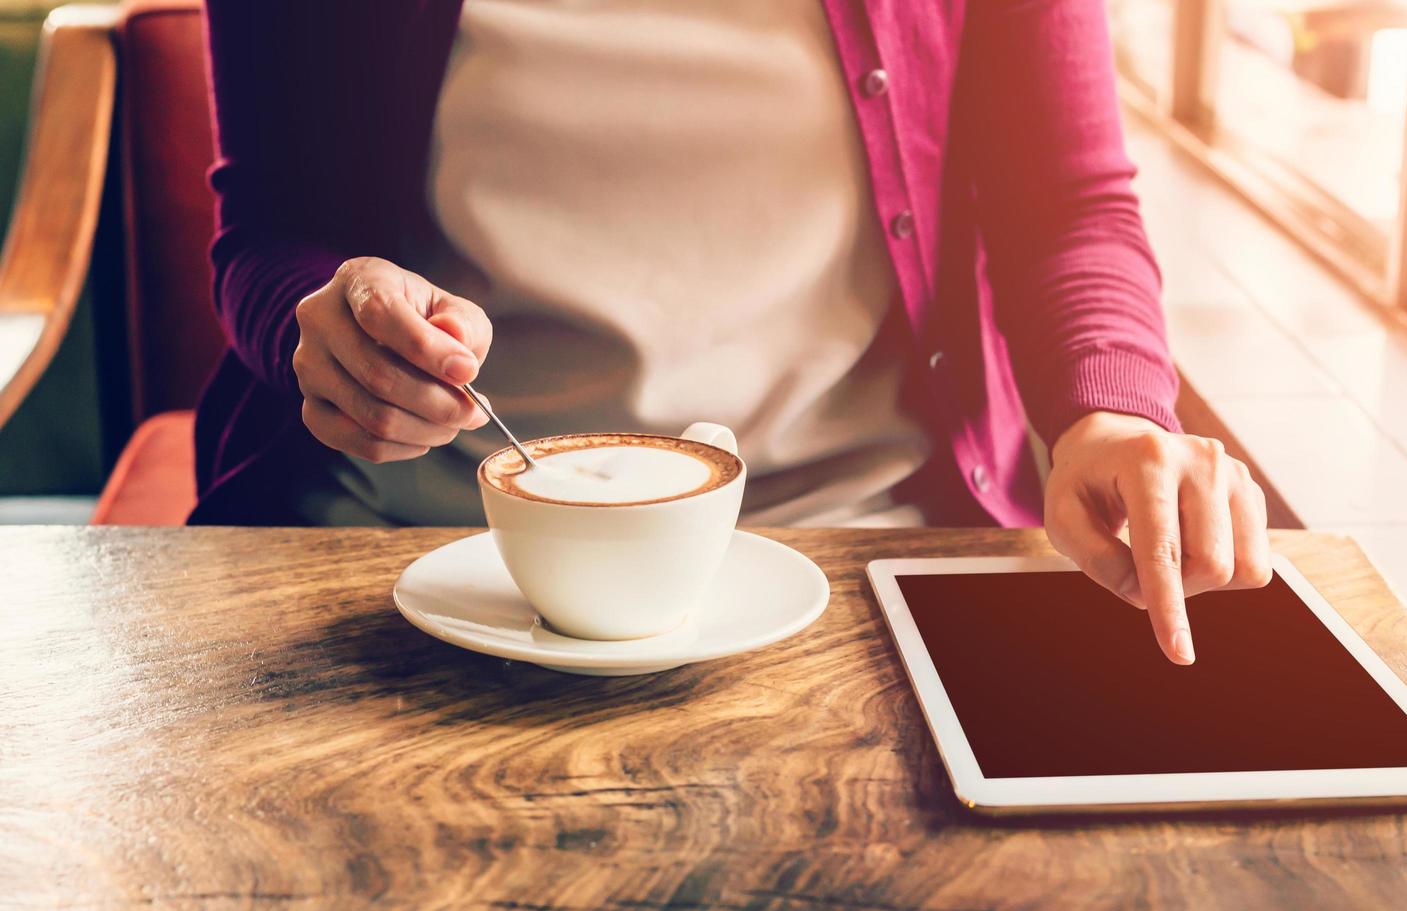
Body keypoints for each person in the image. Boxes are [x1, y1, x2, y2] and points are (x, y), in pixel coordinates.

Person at [195, 0, 1272, 664]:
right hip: (399, 559)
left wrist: (1112, 408)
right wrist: (334, 317)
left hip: (860, 558)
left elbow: (1070, 202)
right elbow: (265, 228)